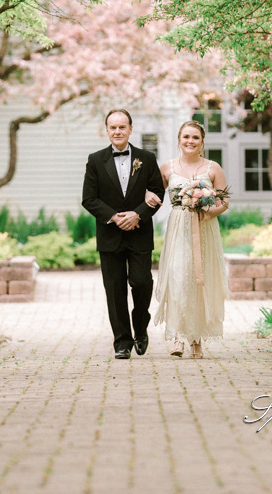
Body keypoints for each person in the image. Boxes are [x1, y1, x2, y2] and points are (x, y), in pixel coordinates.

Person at [82, 109, 164, 360]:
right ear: (106, 130)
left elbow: (157, 192)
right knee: (115, 290)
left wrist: (137, 214)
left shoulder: (147, 158)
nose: (117, 132)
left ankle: (141, 327)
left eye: (122, 127)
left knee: (141, 283)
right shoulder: (95, 160)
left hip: (139, 233)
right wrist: (115, 217)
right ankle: (122, 342)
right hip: (110, 235)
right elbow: (89, 198)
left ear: (130, 129)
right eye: (112, 127)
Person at [145, 120, 229, 359]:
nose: (190, 141)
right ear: (179, 140)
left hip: (204, 227)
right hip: (178, 227)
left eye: (195, 137)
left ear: (202, 142)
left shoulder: (213, 168)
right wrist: (147, 194)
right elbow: (153, 193)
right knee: (178, 276)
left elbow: (223, 201)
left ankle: (195, 338)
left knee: (198, 279)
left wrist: (206, 211)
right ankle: (175, 336)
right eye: (186, 137)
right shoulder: (166, 168)